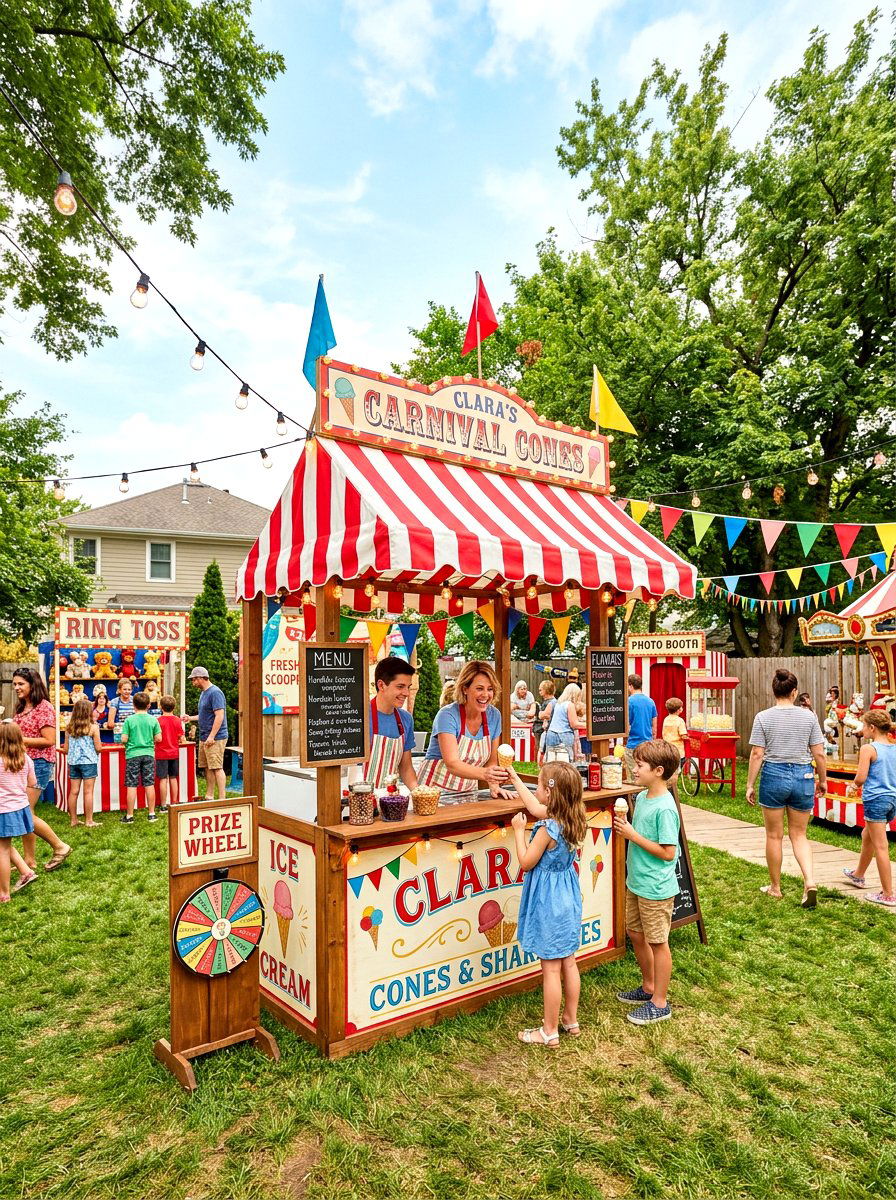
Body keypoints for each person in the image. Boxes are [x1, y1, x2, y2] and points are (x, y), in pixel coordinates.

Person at [506, 760, 587, 1046]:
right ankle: (570, 1019)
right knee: (569, 962)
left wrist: (518, 831)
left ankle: (548, 1031)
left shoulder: (546, 829)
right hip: (568, 899)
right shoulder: (572, 818)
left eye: (539, 784)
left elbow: (527, 862)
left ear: (550, 793)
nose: (536, 788)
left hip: (549, 901)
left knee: (550, 969)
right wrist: (514, 776)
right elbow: (534, 806)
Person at [613, 739, 681, 1025]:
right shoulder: (641, 798)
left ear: (658, 770)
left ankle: (660, 1002)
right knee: (636, 933)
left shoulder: (665, 807)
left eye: (640, 765)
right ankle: (648, 986)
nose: (635, 768)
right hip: (637, 881)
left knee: (658, 941)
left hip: (655, 886)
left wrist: (633, 835)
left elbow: (668, 853)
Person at [746, 668, 827, 908]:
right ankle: (809, 882)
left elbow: (757, 753)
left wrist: (750, 784)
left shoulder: (763, 717)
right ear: (794, 692)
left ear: (774, 691)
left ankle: (775, 887)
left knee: (774, 835)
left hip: (774, 775)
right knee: (799, 835)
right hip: (803, 775)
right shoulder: (809, 717)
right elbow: (819, 753)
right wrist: (822, 780)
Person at [417, 660, 508, 797]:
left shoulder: (494, 716)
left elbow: (491, 762)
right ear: (465, 688)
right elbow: (452, 763)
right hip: (432, 793)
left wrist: (494, 785)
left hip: (467, 792)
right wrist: (486, 774)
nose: (485, 694)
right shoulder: (447, 715)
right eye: (479, 688)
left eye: (490, 689)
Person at [12, 667, 71, 873]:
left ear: (32, 684)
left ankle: (59, 846)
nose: (16, 687)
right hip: (21, 764)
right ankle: (29, 861)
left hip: (39, 764)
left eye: (21, 684)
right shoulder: (21, 708)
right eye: (15, 684)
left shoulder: (43, 707)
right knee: (27, 811)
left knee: (24, 812)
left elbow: (49, 740)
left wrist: (17, 738)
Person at [843, 711, 896, 906]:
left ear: (872, 728)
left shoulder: (869, 749)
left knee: (881, 846)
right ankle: (858, 875)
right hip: (892, 800)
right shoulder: (894, 747)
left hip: (876, 800)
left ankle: (888, 894)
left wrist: (853, 786)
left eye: (864, 726)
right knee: (868, 835)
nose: (862, 729)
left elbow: (861, 777)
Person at [0, 723, 40, 900]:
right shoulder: (26, 759)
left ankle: (4, 893)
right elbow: (32, 783)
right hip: (20, 806)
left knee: (2, 848)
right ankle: (25, 871)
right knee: (4, 845)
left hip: (3, 810)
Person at [366, 657, 419, 790]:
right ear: (381, 685)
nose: (406, 693)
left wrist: (418, 792)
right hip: (359, 798)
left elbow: (406, 768)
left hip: (389, 799)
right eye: (400, 687)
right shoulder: (358, 717)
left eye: (408, 687)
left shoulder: (405, 719)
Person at [183, 666, 228, 800]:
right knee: (207, 767)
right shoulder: (204, 692)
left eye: (194, 680)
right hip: (205, 736)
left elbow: (219, 716)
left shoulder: (215, 693)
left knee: (217, 767)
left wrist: (212, 736)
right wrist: (190, 718)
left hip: (215, 737)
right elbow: (205, 715)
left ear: (201, 678)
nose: (193, 683)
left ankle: (222, 799)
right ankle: (209, 796)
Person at [120, 691, 161, 823]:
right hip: (149, 753)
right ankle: (152, 813)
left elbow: (124, 739)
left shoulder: (129, 720)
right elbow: (158, 738)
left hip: (132, 754)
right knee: (149, 784)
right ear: (148, 705)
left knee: (132, 785)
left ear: (134, 705)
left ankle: (130, 815)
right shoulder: (153, 720)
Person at [65, 698, 101, 828]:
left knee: (73, 791)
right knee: (88, 792)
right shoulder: (93, 728)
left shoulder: (69, 728)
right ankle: (89, 820)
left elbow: (66, 749)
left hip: (73, 762)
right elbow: (98, 748)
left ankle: (73, 820)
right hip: (89, 762)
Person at [624, 675, 657, 782]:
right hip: (647, 744)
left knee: (633, 777)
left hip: (633, 744)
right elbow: (654, 727)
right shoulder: (650, 701)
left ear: (630, 686)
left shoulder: (628, 702)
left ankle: (635, 798)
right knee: (647, 776)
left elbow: (626, 726)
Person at [155, 694, 185, 812]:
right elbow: (181, 738)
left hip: (161, 753)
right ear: (174, 707)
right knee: (173, 778)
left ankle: (163, 805)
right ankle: (175, 802)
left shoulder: (158, 721)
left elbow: (156, 738)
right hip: (174, 753)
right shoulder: (177, 720)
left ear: (161, 707)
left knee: (163, 779)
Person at [543, 682, 584, 762]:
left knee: (552, 761)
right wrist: (589, 725)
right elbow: (574, 724)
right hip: (563, 735)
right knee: (565, 763)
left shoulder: (559, 703)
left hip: (551, 734)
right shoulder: (570, 704)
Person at [661, 697, 688, 762]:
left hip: (667, 749)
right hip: (678, 750)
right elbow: (683, 735)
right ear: (679, 710)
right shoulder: (680, 721)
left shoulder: (666, 719)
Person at [532, 680, 556, 747]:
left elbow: (543, 715)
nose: (539, 691)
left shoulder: (549, 702)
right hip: (541, 728)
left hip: (541, 729)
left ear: (546, 690)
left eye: (540, 690)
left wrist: (540, 713)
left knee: (540, 748)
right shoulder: (551, 701)